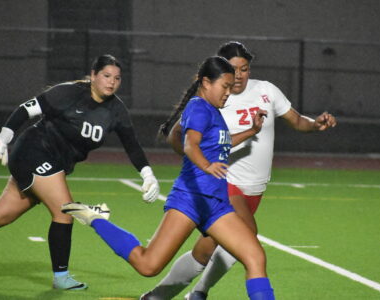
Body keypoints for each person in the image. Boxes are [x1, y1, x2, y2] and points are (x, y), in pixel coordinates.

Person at [0, 54, 160, 290]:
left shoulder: (116, 110)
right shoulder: (68, 93)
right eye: (106, 76)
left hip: (54, 163)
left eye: (117, 78)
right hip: (33, 151)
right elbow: (26, 109)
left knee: (0, 215)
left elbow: (131, 144)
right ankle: (61, 277)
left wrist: (147, 174)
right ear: (93, 76)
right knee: (65, 211)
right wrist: (2, 138)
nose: (112, 82)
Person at [61, 56, 275, 300]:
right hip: (191, 199)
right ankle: (95, 218)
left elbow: (221, 144)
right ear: (206, 83)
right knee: (148, 265)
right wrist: (207, 166)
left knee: (255, 257)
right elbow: (190, 145)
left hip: (216, 204)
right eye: (224, 86)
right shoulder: (198, 108)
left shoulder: (214, 111)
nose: (228, 92)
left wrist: (252, 131)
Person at [141, 41, 337, 300]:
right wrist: (201, 163)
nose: (240, 75)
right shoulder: (214, 97)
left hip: (255, 189)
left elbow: (297, 121)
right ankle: (198, 293)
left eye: (245, 68)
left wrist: (316, 124)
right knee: (250, 242)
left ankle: (158, 296)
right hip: (226, 183)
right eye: (234, 69)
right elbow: (177, 136)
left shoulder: (266, 90)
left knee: (207, 250)